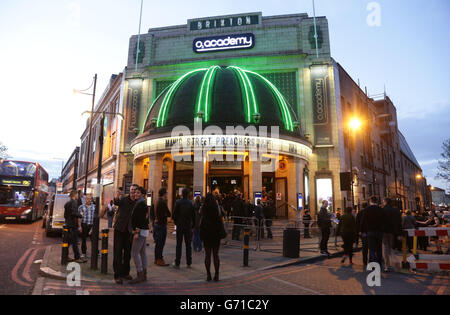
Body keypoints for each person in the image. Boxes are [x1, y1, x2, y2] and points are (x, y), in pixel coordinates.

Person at [113, 184, 137, 284]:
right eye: (131, 190)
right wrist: (117, 195)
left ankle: (125, 273)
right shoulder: (124, 199)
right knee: (118, 252)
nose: (132, 191)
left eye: (134, 190)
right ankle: (117, 275)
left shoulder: (137, 203)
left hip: (129, 232)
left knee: (127, 253)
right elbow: (116, 202)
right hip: (119, 229)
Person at [129, 186, 150, 284]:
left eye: (138, 193)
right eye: (135, 192)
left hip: (140, 231)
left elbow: (140, 220)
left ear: (142, 194)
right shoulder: (142, 203)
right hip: (143, 230)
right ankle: (144, 274)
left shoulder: (140, 204)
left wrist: (136, 232)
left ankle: (140, 274)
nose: (135, 194)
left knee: (134, 253)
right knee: (142, 252)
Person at [200, 193, 222, 282]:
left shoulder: (203, 208)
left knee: (207, 255)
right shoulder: (217, 207)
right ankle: (216, 274)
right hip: (216, 233)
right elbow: (220, 217)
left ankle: (208, 275)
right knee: (215, 255)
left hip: (206, 233)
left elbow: (201, 218)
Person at [172, 188, 196, 268]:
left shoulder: (178, 202)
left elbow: (174, 214)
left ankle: (177, 261)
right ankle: (189, 261)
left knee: (179, 244)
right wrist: (193, 225)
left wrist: (176, 222)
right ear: (188, 194)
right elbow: (193, 215)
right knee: (188, 244)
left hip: (180, 225)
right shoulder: (190, 203)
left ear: (182, 194)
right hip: (187, 225)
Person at [361, 196, 385, 268]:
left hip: (370, 231)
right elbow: (384, 221)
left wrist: (362, 231)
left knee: (371, 249)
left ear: (370, 201)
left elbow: (363, 221)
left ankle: (372, 264)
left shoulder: (367, 209)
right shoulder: (380, 209)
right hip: (379, 231)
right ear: (377, 201)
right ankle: (379, 263)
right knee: (379, 248)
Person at [64, 190, 86, 263]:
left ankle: (65, 256)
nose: (78, 196)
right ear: (74, 195)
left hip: (68, 224)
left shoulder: (67, 203)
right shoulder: (74, 202)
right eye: (77, 195)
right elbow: (74, 213)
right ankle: (77, 257)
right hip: (73, 225)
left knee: (69, 242)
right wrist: (80, 215)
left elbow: (65, 215)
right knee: (74, 242)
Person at [381, 198, 401, 272]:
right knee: (392, 248)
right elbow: (399, 222)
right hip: (393, 232)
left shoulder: (382, 210)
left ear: (385, 202)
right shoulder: (396, 210)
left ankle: (387, 265)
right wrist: (399, 234)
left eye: (383, 202)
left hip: (384, 232)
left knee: (385, 249)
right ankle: (396, 263)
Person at [154, 187, 171, 266]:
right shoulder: (162, 202)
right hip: (161, 224)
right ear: (164, 194)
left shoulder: (157, 201)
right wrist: (165, 214)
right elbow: (168, 213)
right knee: (161, 243)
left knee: (158, 243)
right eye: (166, 193)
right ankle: (159, 259)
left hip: (157, 224)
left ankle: (156, 258)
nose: (167, 194)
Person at [78, 194, 95, 260]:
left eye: (90, 199)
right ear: (85, 199)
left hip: (91, 225)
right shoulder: (81, 207)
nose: (89, 200)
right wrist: (79, 226)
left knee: (93, 240)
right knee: (84, 240)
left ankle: (95, 252)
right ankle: (84, 253)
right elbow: (79, 218)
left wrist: (93, 228)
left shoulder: (94, 207)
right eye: (87, 198)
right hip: (84, 225)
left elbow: (95, 218)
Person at [356, 201, 369, 268]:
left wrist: (359, 231)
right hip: (369, 231)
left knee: (365, 247)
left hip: (363, 232)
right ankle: (372, 260)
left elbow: (357, 222)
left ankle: (364, 261)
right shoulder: (369, 212)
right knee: (371, 246)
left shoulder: (360, 212)